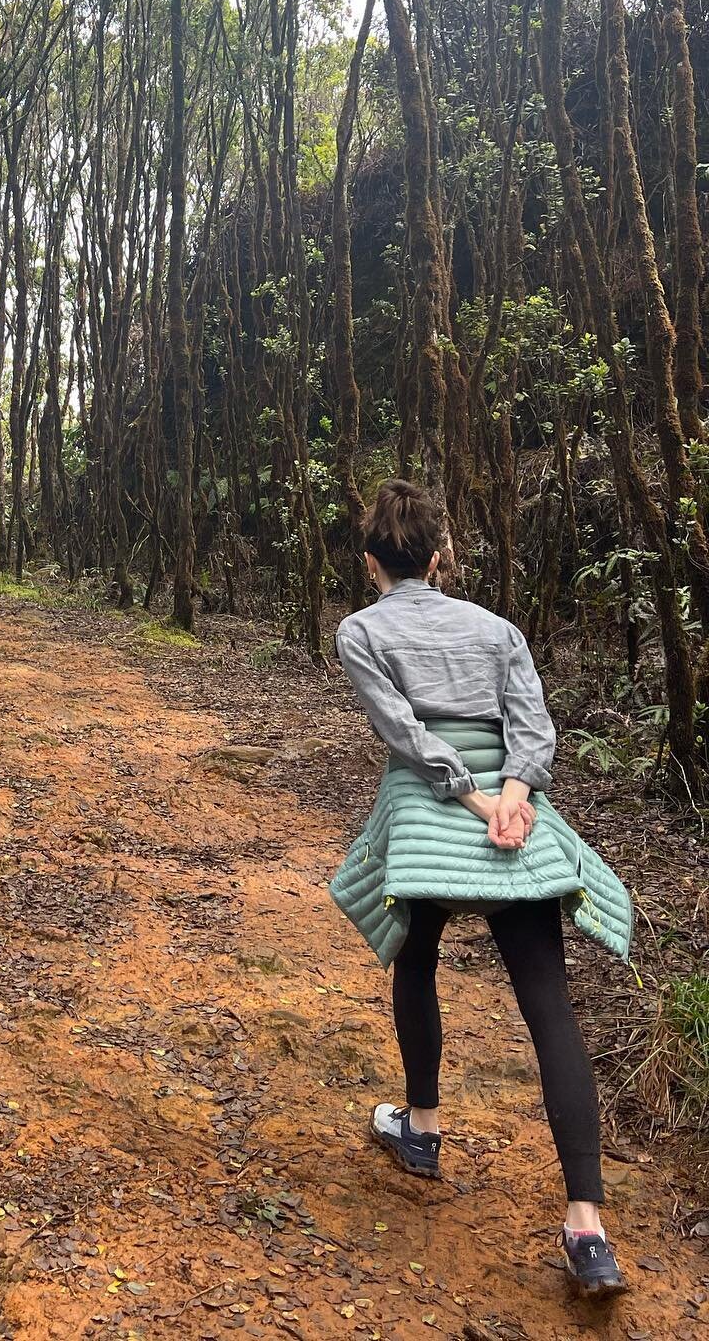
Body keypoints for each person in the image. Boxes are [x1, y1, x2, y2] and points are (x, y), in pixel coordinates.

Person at [329, 478, 633, 1301]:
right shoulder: (499, 629)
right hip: (510, 810)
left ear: (372, 565)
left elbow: (403, 729)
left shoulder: (360, 631)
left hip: (433, 809)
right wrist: (515, 799)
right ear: (440, 557)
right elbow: (532, 726)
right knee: (548, 1002)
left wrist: (468, 798)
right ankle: (586, 1228)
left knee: (416, 955)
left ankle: (421, 1128)